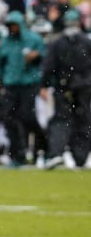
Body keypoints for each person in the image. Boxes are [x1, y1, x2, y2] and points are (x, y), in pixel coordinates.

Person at [41, 10, 91, 169]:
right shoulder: (86, 41)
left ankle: (56, 153)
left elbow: (48, 66)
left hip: (64, 86)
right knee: (82, 120)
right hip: (83, 87)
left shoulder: (57, 43)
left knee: (61, 120)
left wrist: (44, 85)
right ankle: (80, 157)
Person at [0, 11, 45, 166]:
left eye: (14, 25)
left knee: (27, 117)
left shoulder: (34, 39)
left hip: (28, 84)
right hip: (11, 84)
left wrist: (36, 56)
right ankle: (17, 155)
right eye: (10, 25)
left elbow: (45, 58)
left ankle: (43, 146)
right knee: (8, 119)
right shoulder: (5, 42)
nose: (12, 28)